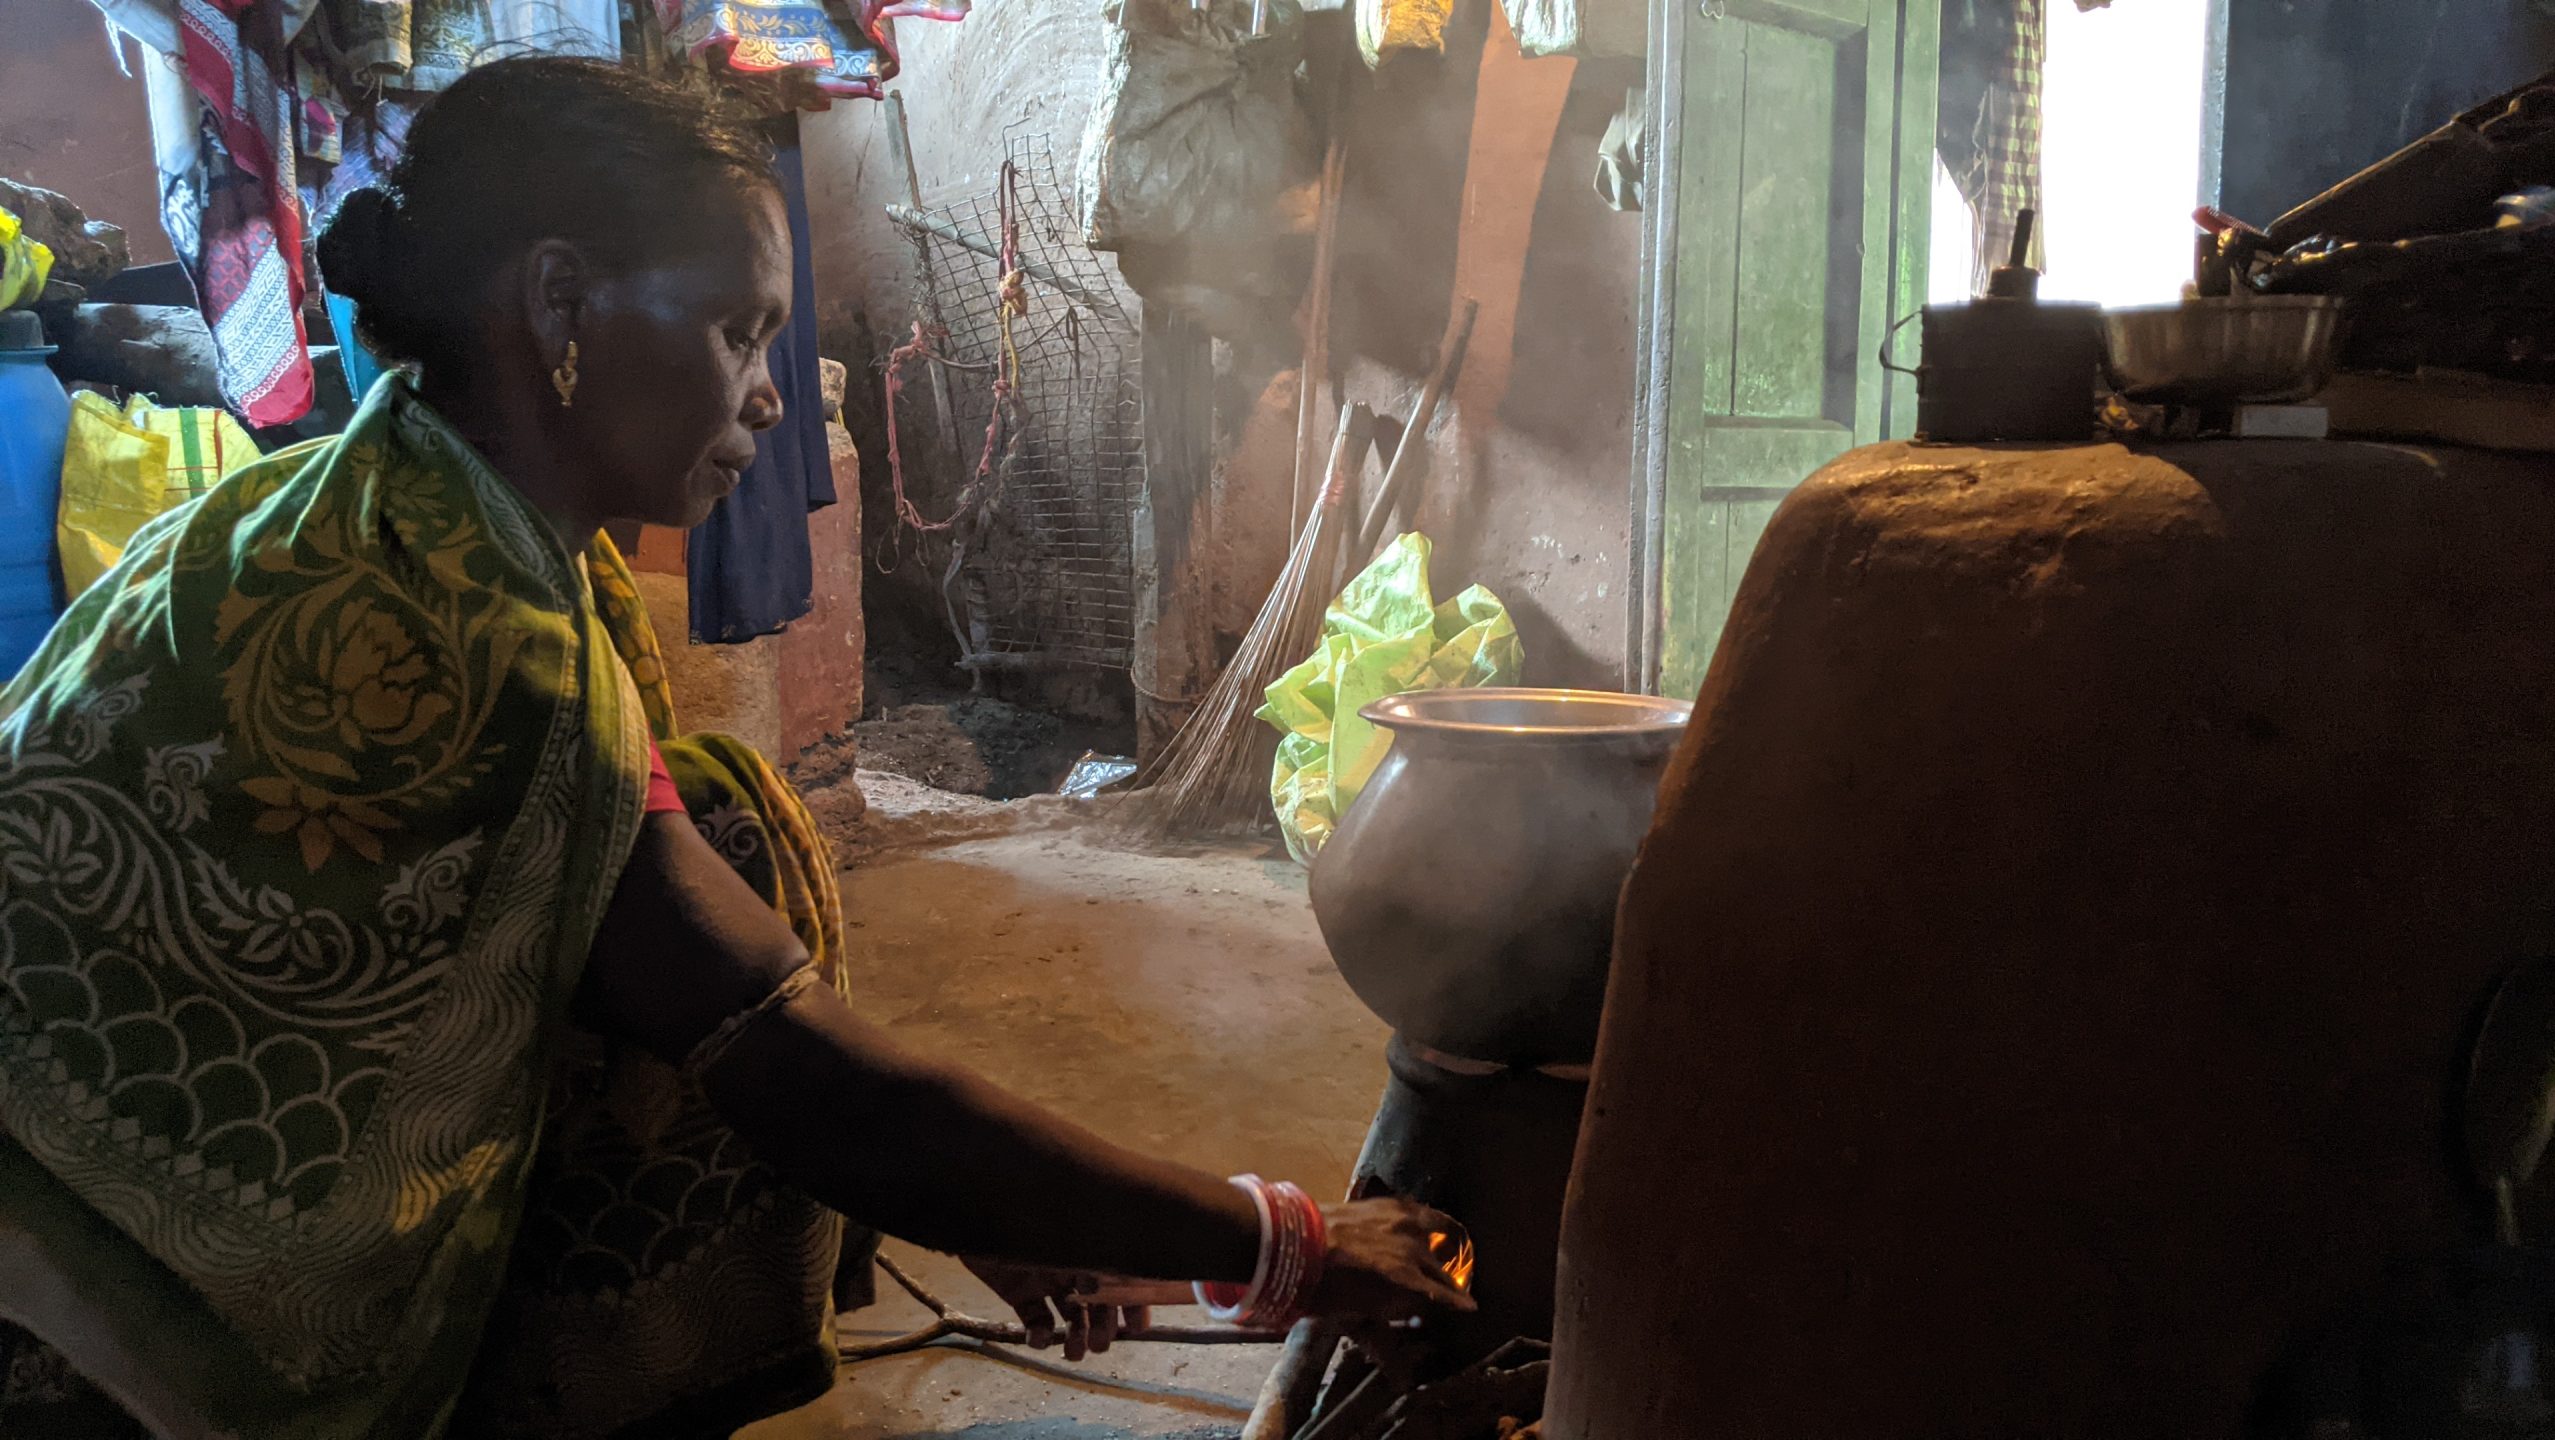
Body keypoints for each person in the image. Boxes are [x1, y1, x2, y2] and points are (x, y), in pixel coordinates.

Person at [0, 55, 1468, 1440]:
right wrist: (1288, 1241)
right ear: (561, 306)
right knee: (729, 934)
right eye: (737, 332)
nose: (771, 394)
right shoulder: (472, 637)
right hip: (62, 1292)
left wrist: (1000, 1210)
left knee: (720, 840)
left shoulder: (386, 502)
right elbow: (805, 1079)